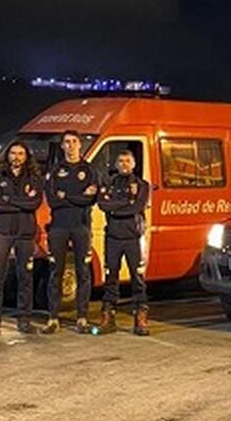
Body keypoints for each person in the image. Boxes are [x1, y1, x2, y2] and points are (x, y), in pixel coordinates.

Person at [41, 130, 98, 333]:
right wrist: (78, 196)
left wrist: (66, 196)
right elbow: (52, 200)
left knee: (83, 273)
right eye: (67, 142)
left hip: (81, 227)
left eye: (74, 141)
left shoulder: (89, 170)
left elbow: (91, 199)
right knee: (56, 272)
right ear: (62, 146)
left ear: (79, 145)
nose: (71, 145)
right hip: (58, 227)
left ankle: (82, 318)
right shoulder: (55, 171)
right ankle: (53, 318)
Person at [0, 141, 42, 334]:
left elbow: (34, 203)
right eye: (13, 153)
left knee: (25, 278)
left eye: (20, 154)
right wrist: (22, 203)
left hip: (25, 235)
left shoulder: (34, 178)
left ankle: (24, 319)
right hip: (2, 233)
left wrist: (9, 199)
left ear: (26, 157)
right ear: (7, 156)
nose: (16, 157)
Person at [97, 149, 151, 336]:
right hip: (112, 237)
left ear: (134, 164)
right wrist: (126, 202)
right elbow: (103, 205)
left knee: (137, 278)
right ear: (116, 164)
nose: (124, 164)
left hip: (133, 238)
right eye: (120, 161)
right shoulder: (108, 183)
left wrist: (115, 207)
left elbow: (137, 207)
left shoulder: (142, 185)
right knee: (110, 277)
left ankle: (140, 318)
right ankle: (108, 316)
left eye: (128, 161)